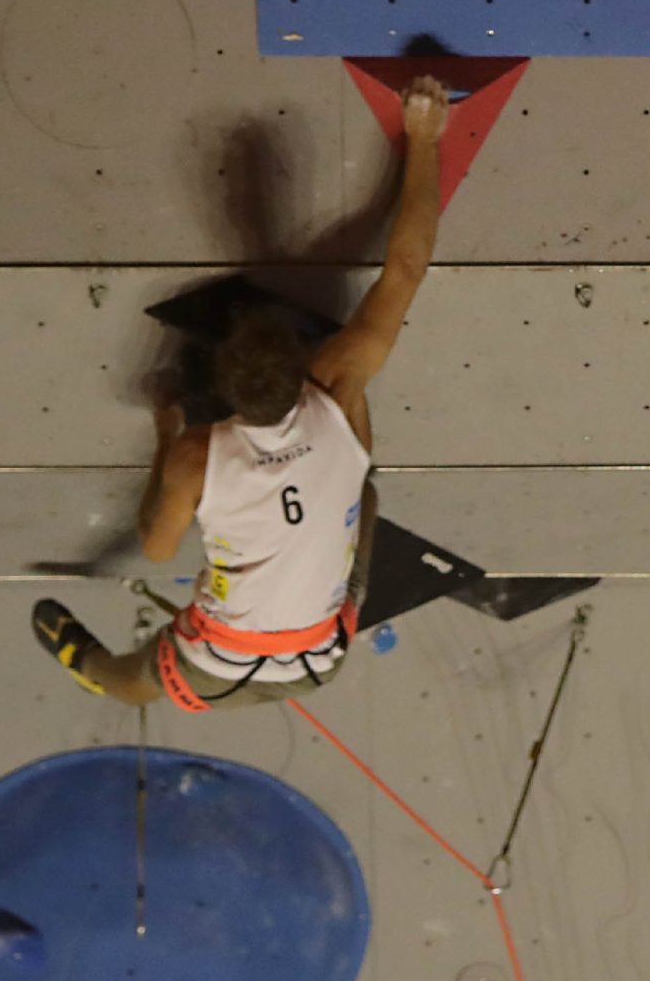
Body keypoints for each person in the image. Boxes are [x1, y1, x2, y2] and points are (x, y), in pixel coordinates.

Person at [33, 75, 450, 709]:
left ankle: (88, 665)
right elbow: (408, 268)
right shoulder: (337, 388)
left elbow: (158, 543)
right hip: (278, 653)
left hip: (308, 656)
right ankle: (95, 668)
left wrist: (165, 441)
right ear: (304, 363)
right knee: (360, 493)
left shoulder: (197, 454)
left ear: (223, 385)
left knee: (134, 683)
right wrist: (424, 136)